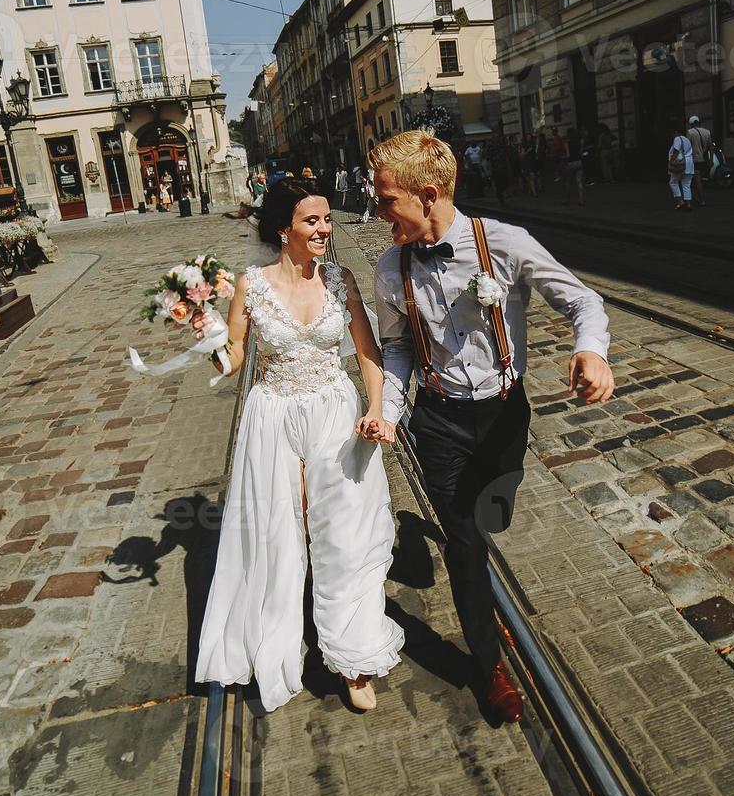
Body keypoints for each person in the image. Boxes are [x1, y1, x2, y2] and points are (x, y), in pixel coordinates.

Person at [369, 130, 613, 724]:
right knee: (466, 545)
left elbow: (584, 302)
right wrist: (391, 412)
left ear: (428, 195)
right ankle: (488, 665)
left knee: (493, 513)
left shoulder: (505, 244)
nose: (378, 213)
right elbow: (398, 348)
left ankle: (475, 522)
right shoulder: (389, 267)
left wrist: (592, 351)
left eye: (386, 200)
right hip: (438, 419)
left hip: (504, 414)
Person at [191, 178, 403, 712]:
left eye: (327, 219)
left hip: (335, 410)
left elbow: (368, 352)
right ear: (283, 228)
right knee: (278, 532)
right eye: (312, 221)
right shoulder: (252, 285)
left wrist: (376, 409)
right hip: (274, 415)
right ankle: (272, 639)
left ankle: (353, 659)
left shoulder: (341, 279)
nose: (324, 230)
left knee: (344, 533)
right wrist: (207, 333)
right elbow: (232, 360)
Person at [668, 125, 695, 210]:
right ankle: (688, 204)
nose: (672, 136)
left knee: (673, 182)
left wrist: (671, 161)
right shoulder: (687, 140)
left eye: (673, 134)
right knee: (686, 184)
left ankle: (680, 202)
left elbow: (676, 150)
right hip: (689, 163)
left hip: (680, 164)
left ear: (676, 132)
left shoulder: (677, 138)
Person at [687, 116, 711, 207]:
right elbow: (710, 148)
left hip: (695, 159)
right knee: (700, 179)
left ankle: (702, 200)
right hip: (704, 159)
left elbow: (687, 146)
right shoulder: (707, 132)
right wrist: (711, 159)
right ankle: (698, 196)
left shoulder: (690, 132)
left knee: (697, 180)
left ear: (691, 124)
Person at [562, 127, 584, 206]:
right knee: (579, 182)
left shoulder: (567, 143)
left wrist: (564, 157)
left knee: (568, 182)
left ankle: (567, 200)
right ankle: (581, 200)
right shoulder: (580, 141)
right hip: (579, 162)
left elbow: (568, 155)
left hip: (571, 163)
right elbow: (581, 153)